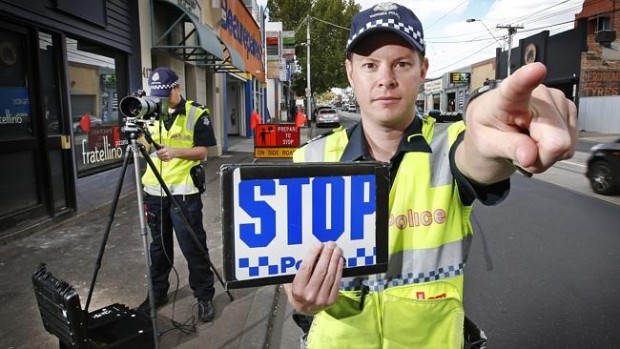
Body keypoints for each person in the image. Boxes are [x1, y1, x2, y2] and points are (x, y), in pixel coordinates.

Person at [285, 2, 577, 348]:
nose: (385, 79)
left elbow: (479, 157)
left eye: (402, 64)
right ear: (350, 73)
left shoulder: (449, 144)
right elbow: (291, 264)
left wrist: (493, 129)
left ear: (423, 70)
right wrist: (300, 296)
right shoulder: (310, 158)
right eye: (369, 65)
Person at [137, 67, 217, 323]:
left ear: (177, 87)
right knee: (158, 248)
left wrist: (175, 152)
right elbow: (145, 148)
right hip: (154, 192)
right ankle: (158, 293)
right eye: (157, 94)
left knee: (193, 246)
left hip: (184, 194)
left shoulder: (196, 113)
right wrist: (138, 133)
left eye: (165, 92)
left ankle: (204, 295)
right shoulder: (150, 112)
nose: (161, 98)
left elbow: (204, 152)